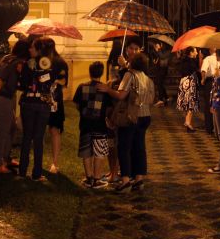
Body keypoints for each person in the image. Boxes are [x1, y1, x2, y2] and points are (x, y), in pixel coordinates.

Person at [97, 52, 154, 193]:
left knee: (124, 147)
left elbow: (121, 94)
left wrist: (108, 89)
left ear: (132, 63)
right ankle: (139, 179)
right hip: (145, 116)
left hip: (131, 117)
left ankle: (126, 180)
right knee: (139, 148)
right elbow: (151, 99)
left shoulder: (130, 75)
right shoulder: (147, 79)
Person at [18, 37, 57, 181]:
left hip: (28, 102)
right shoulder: (50, 64)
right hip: (42, 103)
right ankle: (36, 174)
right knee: (38, 138)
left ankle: (22, 172)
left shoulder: (27, 64)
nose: (30, 49)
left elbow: (22, 84)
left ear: (39, 49)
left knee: (27, 136)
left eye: (32, 47)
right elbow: (52, 81)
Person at [0, 40, 29, 174]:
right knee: (3, 131)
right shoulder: (17, 63)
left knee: (11, 127)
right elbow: (14, 85)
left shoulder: (6, 58)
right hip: (2, 98)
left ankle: (6, 158)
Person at [73, 61, 111, 189]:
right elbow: (108, 108)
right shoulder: (105, 89)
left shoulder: (81, 87)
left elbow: (77, 105)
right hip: (100, 125)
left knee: (86, 151)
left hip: (85, 124)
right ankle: (97, 178)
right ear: (101, 73)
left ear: (89, 72)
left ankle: (89, 178)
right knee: (99, 152)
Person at [40, 38, 68, 174]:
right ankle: (50, 163)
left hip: (53, 101)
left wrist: (53, 79)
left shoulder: (59, 62)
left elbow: (64, 81)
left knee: (54, 130)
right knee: (45, 131)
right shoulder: (40, 61)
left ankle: (54, 163)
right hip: (43, 100)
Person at [176, 47, 199, 132]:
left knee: (187, 103)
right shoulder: (191, 62)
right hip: (190, 83)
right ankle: (188, 123)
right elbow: (196, 70)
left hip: (184, 82)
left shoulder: (183, 60)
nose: (196, 53)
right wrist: (200, 59)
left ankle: (188, 122)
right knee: (191, 103)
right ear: (191, 53)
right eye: (195, 51)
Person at [199, 47, 219, 134]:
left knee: (208, 104)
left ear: (210, 50)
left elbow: (203, 70)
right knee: (218, 104)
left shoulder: (208, 58)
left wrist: (203, 79)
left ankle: (209, 127)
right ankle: (218, 126)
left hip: (210, 82)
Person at [149, 41, 170, 107]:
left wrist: (157, 50)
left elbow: (162, 56)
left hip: (163, 70)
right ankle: (166, 98)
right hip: (158, 69)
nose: (157, 45)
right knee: (160, 84)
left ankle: (161, 100)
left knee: (159, 83)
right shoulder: (158, 51)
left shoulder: (168, 51)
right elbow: (155, 59)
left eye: (159, 44)